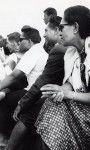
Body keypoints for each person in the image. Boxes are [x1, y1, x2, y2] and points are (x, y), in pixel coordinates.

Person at [34, 5, 90, 150]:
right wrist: (60, 89)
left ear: (76, 27)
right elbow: (71, 82)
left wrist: (69, 94)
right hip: (88, 111)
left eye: (61, 27)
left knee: (55, 110)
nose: (59, 32)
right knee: (52, 103)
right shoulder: (71, 53)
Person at [5, 16, 67, 150]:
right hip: (55, 92)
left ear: (57, 30)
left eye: (46, 30)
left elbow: (42, 80)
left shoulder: (58, 50)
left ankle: (6, 145)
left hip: (49, 94)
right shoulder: (63, 49)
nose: (43, 34)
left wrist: (22, 103)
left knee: (23, 116)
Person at [0, 25, 47, 147]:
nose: (18, 43)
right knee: (10, 93)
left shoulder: (32, 52)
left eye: (21, 40)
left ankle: (3, 138)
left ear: (29, 41)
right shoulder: (40, 51)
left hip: (33, 93)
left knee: (4, 100)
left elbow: (14, 76)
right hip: (38, 92)